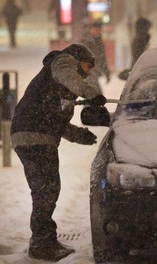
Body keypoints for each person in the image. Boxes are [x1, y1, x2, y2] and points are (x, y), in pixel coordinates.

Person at [10, 43, 107, 262]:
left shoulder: (59, 90)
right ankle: (41, 243)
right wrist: (91, 93)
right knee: (45, 189)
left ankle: (46, 239)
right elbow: (68, 75)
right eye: (86, 66)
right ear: (77, 58)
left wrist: (80, 135)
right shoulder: (62, 62)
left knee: (48, 188)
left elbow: (56, 123)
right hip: (32, 135)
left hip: (36, 136)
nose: (87, 72)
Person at [80, 22, 111, 92]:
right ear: (91, 29)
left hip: (95, 71)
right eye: (95, 29)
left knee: (94, 95)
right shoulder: (85, 41)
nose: (97, 31)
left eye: (98, 30)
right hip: (87, 71)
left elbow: (103, 58)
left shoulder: (99, 42)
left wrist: (107, 73)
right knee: (96, 94)